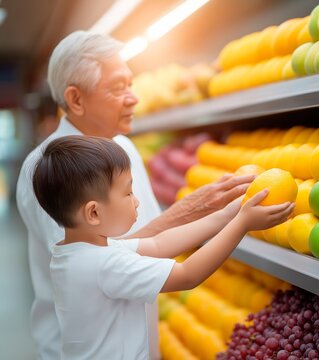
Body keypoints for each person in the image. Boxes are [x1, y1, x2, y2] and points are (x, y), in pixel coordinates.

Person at [16, 31, 254, 360]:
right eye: (118, 88)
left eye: (132, 84)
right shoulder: (48, 173)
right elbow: (108, 255)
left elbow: (152, 244)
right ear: (76, 99)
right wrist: (195, 212)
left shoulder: (121, 147)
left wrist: (222, 213)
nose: (134, 98)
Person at [32, 135, 294, 359]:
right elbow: (188, 274)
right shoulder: (104, 264)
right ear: (93, 214)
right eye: (127, 193)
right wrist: (242, 224)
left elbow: (159, 243)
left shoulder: (79, 251)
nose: (136, 202)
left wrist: (229, 213)